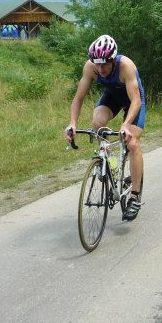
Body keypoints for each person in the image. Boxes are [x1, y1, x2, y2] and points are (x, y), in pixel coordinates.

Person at [65, 34, 146, 221]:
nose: (100, 69)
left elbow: (135, 100)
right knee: (97, 123)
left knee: (132, 142)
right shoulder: (90, 67)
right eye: (97, 64)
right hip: (112, 98)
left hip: (134, 100)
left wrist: (126, 125)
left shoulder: (126, 66)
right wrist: (72, 123)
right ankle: (110, 164)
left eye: (104, 64)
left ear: (112, 59)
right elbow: (79, 98)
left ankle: (134, 195)